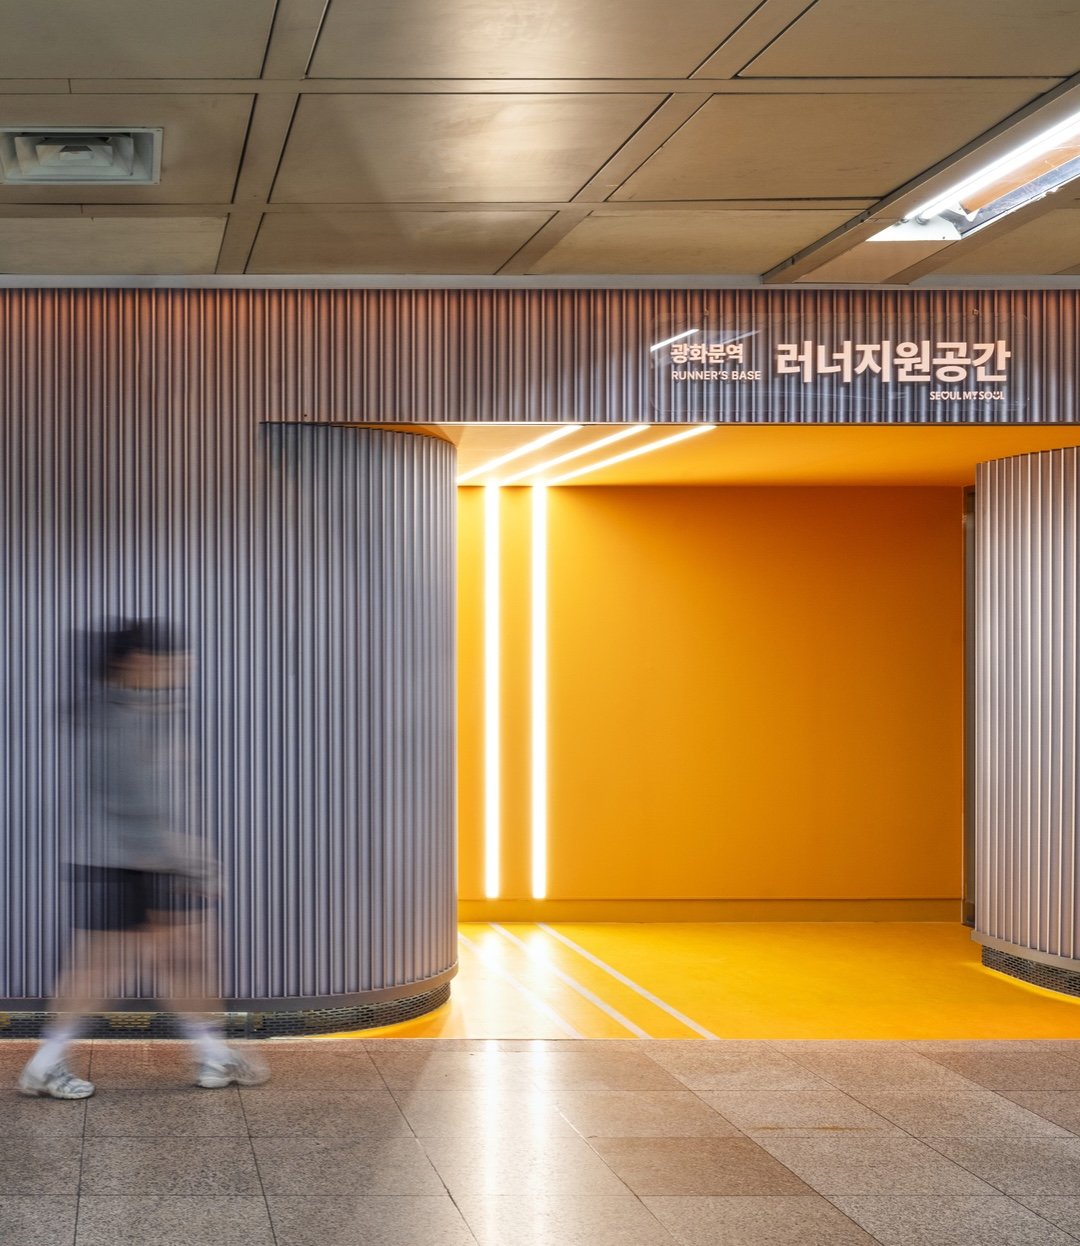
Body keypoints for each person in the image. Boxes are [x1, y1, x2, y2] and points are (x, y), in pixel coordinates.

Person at [18, 619, 267, 1099]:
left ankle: (213, 1056)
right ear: (137, 661)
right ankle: (45, 1064)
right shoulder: (118, 716)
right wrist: (197, 866)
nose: (184, 664)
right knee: (106, 966)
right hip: (132, 860)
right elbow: (141, 803)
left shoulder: (143, 708)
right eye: (172, 656)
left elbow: (172, 796)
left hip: (144, 859)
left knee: (181, 959)